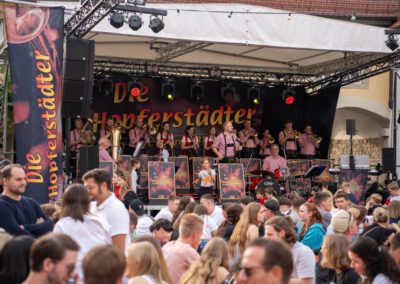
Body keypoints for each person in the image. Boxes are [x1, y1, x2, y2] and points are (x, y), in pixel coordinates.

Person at [53, 184, 112, 280]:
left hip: (74, 276)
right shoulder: (100, 221)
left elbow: (56, 254)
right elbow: (109, 246)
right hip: (100, 274)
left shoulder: (62, 225)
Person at [83, 169, 130, 253]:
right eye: (86, 188)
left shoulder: (116, 209)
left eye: (91, 187)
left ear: (103, 186)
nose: (87, 191)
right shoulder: (91, 206)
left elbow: (119, 249)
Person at [0, 164, 53, 236]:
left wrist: (25, 227)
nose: (23, 182)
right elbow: (16, 233)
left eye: (24, 179)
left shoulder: (31, 203)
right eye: (18, 179)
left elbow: (49, 225)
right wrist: (39, 230)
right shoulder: (2, 205)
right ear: (5, 181)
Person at [265, 216, 315, 284]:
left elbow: (305, 282)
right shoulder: (271, 251)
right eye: (265, 234)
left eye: (269, 234)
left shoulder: (304, 252)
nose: (265, 238)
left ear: (282, 233)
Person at [162, 213, 203, 284]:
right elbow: (206, 273)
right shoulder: (187, 251)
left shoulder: (166, 247)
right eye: (200, 235)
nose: (200, 239)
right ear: (195, 234)